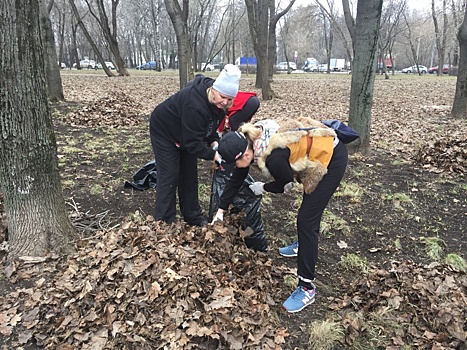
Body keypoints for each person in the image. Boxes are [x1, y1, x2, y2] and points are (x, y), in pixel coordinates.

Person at [212, 117, 348, 313]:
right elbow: (236, 179)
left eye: (236, 163)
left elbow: (285, 185)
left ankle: (306, 287)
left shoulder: (273, 157)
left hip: (331, 158)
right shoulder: (251, 140)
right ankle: (303, 244)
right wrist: (220, 211)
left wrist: (263, 187)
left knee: (306, 219)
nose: (237, 168)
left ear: (246, 154)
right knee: (309, 211)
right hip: (312, 153)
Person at [149, 64, 241, 226]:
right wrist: (214, 155)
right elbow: (192, 144)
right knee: (170, 175)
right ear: (214, 89)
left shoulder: (220, 105)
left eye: (229, 99)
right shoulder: (195, 105)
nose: (225, 102)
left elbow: (210, 130)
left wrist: (215, 145)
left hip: (186, 133)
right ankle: (164, 222)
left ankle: (192, 215)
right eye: (222, 96)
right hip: (165, 131)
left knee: (189, 176)